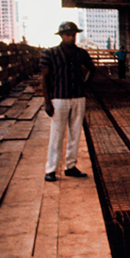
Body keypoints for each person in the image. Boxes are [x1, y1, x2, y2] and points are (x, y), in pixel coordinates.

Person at [40, 21, 95, 182]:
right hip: (59, 98)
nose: (71, 37)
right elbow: (44, 78)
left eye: (73, 34)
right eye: (67, 35)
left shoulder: (81, 53)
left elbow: (93, 68)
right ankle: (51, 169)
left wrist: (85, 84)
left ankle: (70, 166)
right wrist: (47, 101)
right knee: (57, 134)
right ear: (62, 36)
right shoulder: (49, 53)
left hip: (78, 97)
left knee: (75, 133)